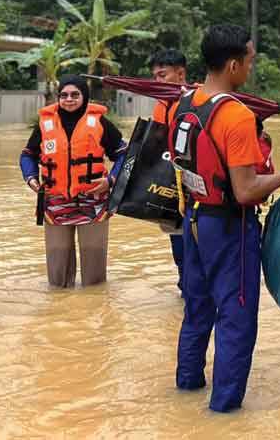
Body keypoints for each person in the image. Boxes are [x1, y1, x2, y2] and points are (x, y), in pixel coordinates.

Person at [174, 24, 280, 413]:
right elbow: (246, 190)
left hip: (193, 218)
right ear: (233, 65)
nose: (250, 67)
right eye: (249, 60)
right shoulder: (237, 117)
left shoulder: (185, 104)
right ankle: (224, 412)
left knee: (197, 308)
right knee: (236, 316)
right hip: (230, 227)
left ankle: (187, 387)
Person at [20, 76, 126, 287]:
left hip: (93, 203)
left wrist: (111, 180)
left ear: (84, 96)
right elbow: (27, 155)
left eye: (75, 95)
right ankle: (59, 316)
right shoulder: (44, 125)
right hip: (55, 203)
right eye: (64, 95)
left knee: (94, 276)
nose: (69, 99)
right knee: (57, 276)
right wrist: (31, 178)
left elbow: (124, 155)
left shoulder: (100, 123)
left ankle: (92, 311)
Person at [149, 49, 189, 290]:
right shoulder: (161, 105)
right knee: (178, 245)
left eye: (162, 75)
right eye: (155, 76)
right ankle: (186, 288)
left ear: (180, 73)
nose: (157, 81)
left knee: (197, 244)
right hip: (169, 185)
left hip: (195, 187)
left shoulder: (196, 99)